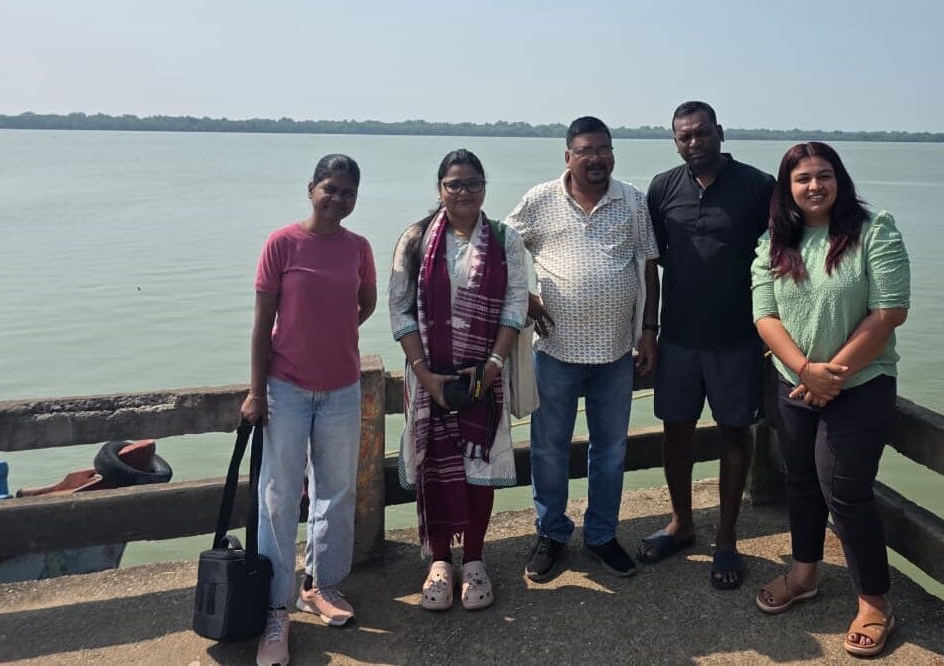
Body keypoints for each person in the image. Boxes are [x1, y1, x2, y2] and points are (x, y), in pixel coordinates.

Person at [749, 142, 909, 658]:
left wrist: (832, 375)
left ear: (839, 179)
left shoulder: (874, 229)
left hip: (859, 385)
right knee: (800, 479)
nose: (814, 186)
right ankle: (804, 573)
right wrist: (804, 370)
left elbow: (889, 312)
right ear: (787, 188)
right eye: (802, 178)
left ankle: (875, 601)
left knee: (844, 490)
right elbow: (764, 315)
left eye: (824, 175)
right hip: (792, 382)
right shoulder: (775, 241)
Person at [505, 116, 660, 581]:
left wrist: (649, 331)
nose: (597, 158)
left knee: (610, 450)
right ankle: (551, 533)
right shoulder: (539, 200)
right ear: (567, 156)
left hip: (615, 354)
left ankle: (601, 535)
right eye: (586, 150)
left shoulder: (632, 200)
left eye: (605, 149)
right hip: (554, 352)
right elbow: (501, 248)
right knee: (549, 449)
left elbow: (649, 267)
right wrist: (525, 297)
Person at [241, 154, 377, 666]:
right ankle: (276, 609)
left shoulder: (358, 248)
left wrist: (331, 334)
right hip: (286, 388)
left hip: (342, 387)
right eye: (330, 189)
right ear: (311, 189)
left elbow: (363, 305)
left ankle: (320, 584)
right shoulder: (282, 243)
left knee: (336, 492)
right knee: (277, 496)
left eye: (347, 192)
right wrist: (257, 391)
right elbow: (262, 325)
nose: (338, 199)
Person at [640, 101, 775, 590]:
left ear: (719, 132)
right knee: (675, 432)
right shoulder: (662, 188)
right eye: (683, 137)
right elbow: (649, 263)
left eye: (700, 134)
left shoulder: (759, 187)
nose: (692, 143)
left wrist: (777, 332)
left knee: (734, 435)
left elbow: (782, 258)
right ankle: (681, 523)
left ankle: (726, 538)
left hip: (737, 338)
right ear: (674, 141)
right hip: (678, 336)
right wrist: (648, 330)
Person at [388, 149, 529, 612]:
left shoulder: (505, 239)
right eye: (454, 184)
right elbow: (400, 310)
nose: (464, 191)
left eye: (472, 182)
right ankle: (440, 561)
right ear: (440, 189)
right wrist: (425, 375)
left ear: (485, 187)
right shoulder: (414, 239)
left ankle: (474, 560)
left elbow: (514, 306)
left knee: (479, 467)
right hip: (428, 380)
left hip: (484, 376)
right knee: (433, 466)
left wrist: (490, 368)